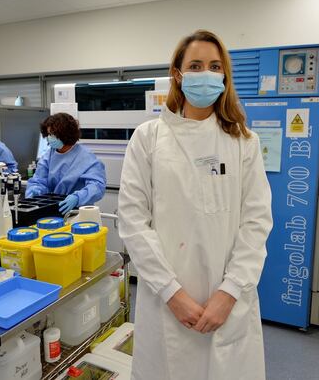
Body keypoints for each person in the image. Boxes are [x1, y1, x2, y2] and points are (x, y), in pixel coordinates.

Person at [118, 30, 273, 380]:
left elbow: (257, 223)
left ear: (224, 75)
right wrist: (173, 293)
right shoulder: (149, 138)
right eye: (196, 65)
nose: (206, 73)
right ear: (178, 73)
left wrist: (229, 293)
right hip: (166, 298)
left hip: (229, 299)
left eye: (215, 66)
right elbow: (132, 221)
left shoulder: (243, 142)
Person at [25, 113, 105, 214]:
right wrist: (35, 190)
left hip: (78, 211)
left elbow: (97, 186)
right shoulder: (49, 155)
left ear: (65, 135)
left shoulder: (86, 157)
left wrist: (77, 198)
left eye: (53, 134)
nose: (50, 138)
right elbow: (39, 180)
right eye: (49, 134)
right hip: (53, 209)